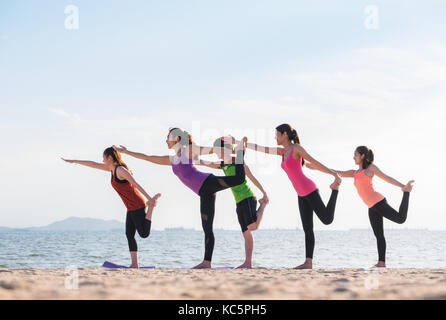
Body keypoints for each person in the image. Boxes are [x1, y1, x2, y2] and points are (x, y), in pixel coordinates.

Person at [113, 128, 247, 269]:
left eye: (168, 137)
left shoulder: (188, 150)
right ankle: (207, 262)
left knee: (239, 178)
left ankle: (240, 153)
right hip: (204, 192)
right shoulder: (173, 158)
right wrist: (126, 152)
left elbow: (210, 150)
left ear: (177, 139)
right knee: (207, 227)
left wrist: (225, 142)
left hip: (207, 182)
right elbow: (148, 157)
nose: (166, 140)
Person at [237, 123, 342, 269]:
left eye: (277, 134)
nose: (275, 137)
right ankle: (308, 262)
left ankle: (335, 189)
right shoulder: (282, 152)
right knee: (308, 229)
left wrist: (333, 174)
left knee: (327, 219)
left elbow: (315, 162)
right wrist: (245, 145)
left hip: (309, 189)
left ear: (285, 134)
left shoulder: (296, 149)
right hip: (300, 194)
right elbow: (264, 149)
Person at [307, 145, 414, 267]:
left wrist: (403, 187)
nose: (353, 157)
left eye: (356, 155)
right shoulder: (355, 173)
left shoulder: (370, 169)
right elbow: (336, 172)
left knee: (400, 219)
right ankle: (381, 262)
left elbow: (387, 178)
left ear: (362, 156)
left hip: (378, 202)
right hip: (371, 207)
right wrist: (316, 167)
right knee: (379, 235)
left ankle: (407, 193)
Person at [62, 147, 161, 268]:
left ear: (109, 158)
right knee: (129, 235)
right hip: (129, 206)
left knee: (144, 234)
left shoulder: (121, 170)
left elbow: (136, 184)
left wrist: (149, 199)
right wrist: (75, 161)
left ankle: (151, 207)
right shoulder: (111, 169)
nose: (102, 160)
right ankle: (134, 264)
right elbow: (93, 164)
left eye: (103, 158)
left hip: (136, 204)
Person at [198, 136, 269, 269]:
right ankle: (248, 263)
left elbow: (251, 176)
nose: (215, 152)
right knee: (246, 233)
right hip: (238, 201)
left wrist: (263, 192)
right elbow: (205, 163)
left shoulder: (238, 160)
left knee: (253, 226)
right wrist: (192, 160)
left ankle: (263, 205)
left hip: (248, 197)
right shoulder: (223, 164)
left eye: (217, 149)